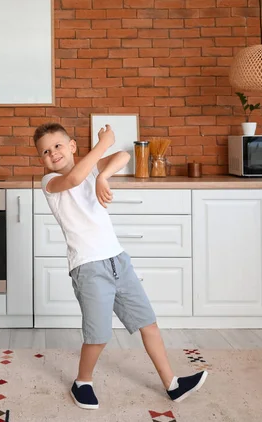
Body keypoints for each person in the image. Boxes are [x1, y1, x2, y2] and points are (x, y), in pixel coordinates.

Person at [33, 122, 208, 410]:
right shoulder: (49, 183)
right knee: (98, 335)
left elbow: (124, 156)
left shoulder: (90, 169)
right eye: (45, 152)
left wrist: (103, 175)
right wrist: (103, 144)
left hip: (118, 260)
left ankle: (172, 384)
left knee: (148, 324)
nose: (52, 154)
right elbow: (76, 178)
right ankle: (82, 382)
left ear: (73, 146)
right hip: (88, 268)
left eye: (58, 146)